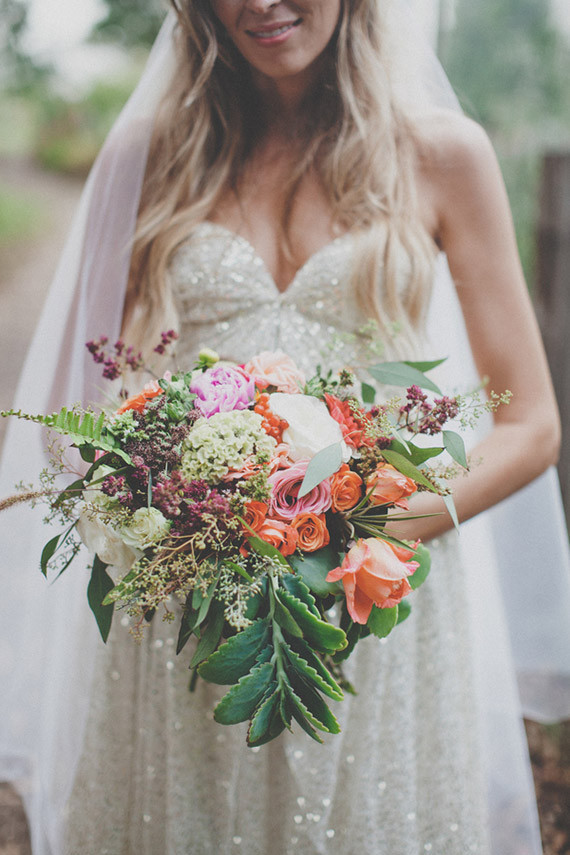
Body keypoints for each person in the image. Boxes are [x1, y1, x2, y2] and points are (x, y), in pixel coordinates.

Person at [0, 1, 569, 853]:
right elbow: (67, 418)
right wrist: (176, 506)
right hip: (196, 608)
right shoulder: (149, 155)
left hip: (375, 601)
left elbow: (530, 425)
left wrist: (358, 532)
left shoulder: (444, 154)